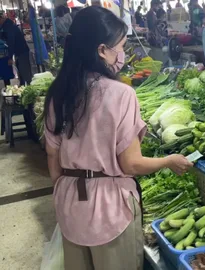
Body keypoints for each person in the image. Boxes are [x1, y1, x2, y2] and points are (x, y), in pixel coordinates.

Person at [43, 7, 192, 269]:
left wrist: (65, 193)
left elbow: (53, 156)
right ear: (102, 50)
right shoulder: (121, 94)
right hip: (109, 209)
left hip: (69, 204)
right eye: (121, 46)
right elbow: (131, 164)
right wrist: (168, 161)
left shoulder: (58, 92)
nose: (123, 54)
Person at [0, 11, 31, 85]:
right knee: (20, 71)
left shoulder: (9, 26)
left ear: (1, 18)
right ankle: (22, 86)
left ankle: (30, 87)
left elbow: (11, 42)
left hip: (22, 51)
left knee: (25, 72)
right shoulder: (6, 25)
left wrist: (10, 57)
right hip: (19, 52)